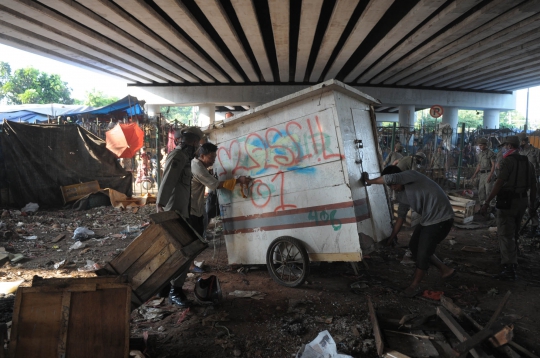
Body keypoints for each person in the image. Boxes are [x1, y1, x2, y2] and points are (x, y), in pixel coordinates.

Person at [363, 166, 455, 297]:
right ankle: (445, 269)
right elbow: (401, 217)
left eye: (393, 184)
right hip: (428, 220)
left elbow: (392, 177)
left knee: (423, 253)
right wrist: (392, 237)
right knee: (414, 247)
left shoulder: (412, 175)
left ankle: (414, 286)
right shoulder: (403, 195)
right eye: (390, 186)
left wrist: (368, 181)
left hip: (441, 219)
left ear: (400, 177)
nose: (393, 187)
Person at [156, 126, 204, 307]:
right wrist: (160, 205)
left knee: (174, 250)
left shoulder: (185, 157)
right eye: (196, 143)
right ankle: (175, 290)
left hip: (182, 211)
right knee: (185, 251)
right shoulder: (177, 157)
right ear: (191, 142)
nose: (197, 147)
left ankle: (165, 287)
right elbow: (167, 180)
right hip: (174, 212)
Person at [479, 136, 536, 280]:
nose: (503, 148)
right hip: (522, 201)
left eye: (505, 146)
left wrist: (487, 202)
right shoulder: (528, 163)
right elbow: (534, 185)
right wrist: (532, 204)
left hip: (508, 202)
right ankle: (515, 256)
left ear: (510, 146)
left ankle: (509, 267)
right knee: (515, 231)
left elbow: (499, 183)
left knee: (505, 234)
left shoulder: (507, 161)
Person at [190, 142, 251, 237]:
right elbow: (216, 185)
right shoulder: (198, 168)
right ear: (202, 156)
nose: (213, 160)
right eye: (211, 157)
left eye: (214, 157)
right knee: (195, 235)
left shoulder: (197, 163)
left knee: (202, 223)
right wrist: (239, 180)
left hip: (196, 205)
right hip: (191, 207)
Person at [470, 138, 496, 206]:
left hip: (488, 173)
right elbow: (479, 165)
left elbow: (493, 165)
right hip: (482, 174)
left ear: (485, 145)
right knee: (481, 190)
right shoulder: (480, 154)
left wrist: (490, 175)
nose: (480, 147)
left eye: (481, 145)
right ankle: (482, 206)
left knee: (489, 191)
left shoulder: (490, 153)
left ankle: (491, 207)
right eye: (479, 145)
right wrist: (475, 174)